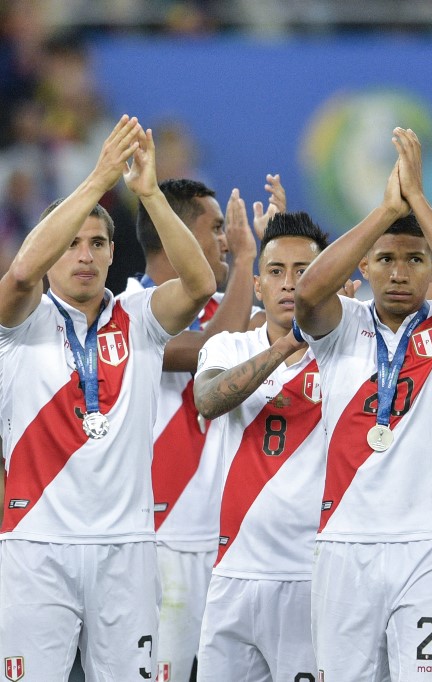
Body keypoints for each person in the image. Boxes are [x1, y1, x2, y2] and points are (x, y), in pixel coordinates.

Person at [0, 116, 216, 680]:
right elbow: (22, 270)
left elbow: (198, 285)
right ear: (51, 250)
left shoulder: (138, 316)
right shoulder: (19, 324)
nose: (86, 256)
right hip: (36, 546)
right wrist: (98, 180)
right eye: (71, 244)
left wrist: (147, 193)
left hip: (127, 549)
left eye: (97, 243)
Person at [294, 127, 432, 681]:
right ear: (364, 268)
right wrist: (384, 212)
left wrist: (419, 201)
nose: (399, 272)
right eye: (384, 259)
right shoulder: (342, 328)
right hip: (345, 544)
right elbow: (309, 292)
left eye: (413, 260)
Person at [129, 174, 283, 682]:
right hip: (160, 541)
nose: (226, 238)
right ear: (170, 231)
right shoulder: (129, 312)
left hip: (230, 545)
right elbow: (211, 348)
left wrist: (282, 247)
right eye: (216, 228)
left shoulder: (238, 308)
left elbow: (301, 326)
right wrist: (244, 263)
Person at [192, 211, 330, 682]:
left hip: (311, 578)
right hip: (232, 574)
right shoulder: (228, 346)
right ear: (257, 285)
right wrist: (285, 347)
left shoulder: (347, 355)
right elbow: (208, 401)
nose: (290, 284)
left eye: (304, 272)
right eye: (276, 272)